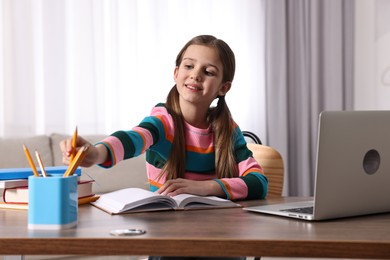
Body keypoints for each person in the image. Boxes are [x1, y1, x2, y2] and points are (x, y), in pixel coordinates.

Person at [60, 35, 268, 259]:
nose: (196, 74)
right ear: (176, 73)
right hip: (170, 240)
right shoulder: (162, 121)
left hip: (219, 238)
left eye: (208, 72)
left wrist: (206, 187)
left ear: (223, 87)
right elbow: (132, 138)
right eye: (189, 66)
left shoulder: (228, 130)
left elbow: (259, 182)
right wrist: (97, 153)